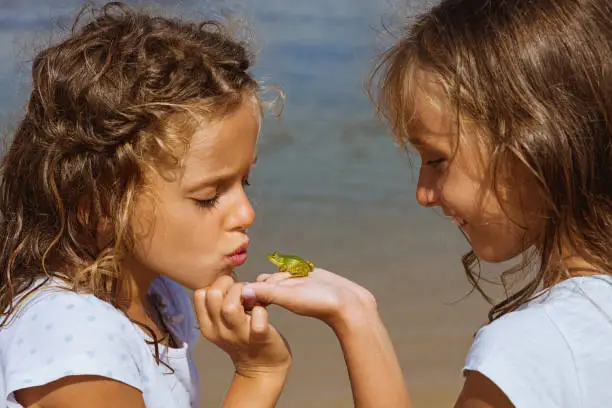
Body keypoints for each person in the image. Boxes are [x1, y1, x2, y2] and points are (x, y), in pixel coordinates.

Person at [243, 0, 612, 406]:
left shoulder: (532, 348)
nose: (422, 194)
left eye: (436, 160)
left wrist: (349, 323)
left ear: (534, 142)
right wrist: (356, 312)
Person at [0, 2, 291, 407]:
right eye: (208, 197)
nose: (246, 213)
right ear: (99, 202)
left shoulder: (158, 295)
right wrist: (257, 374)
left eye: (244, 181)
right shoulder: (77, 347)